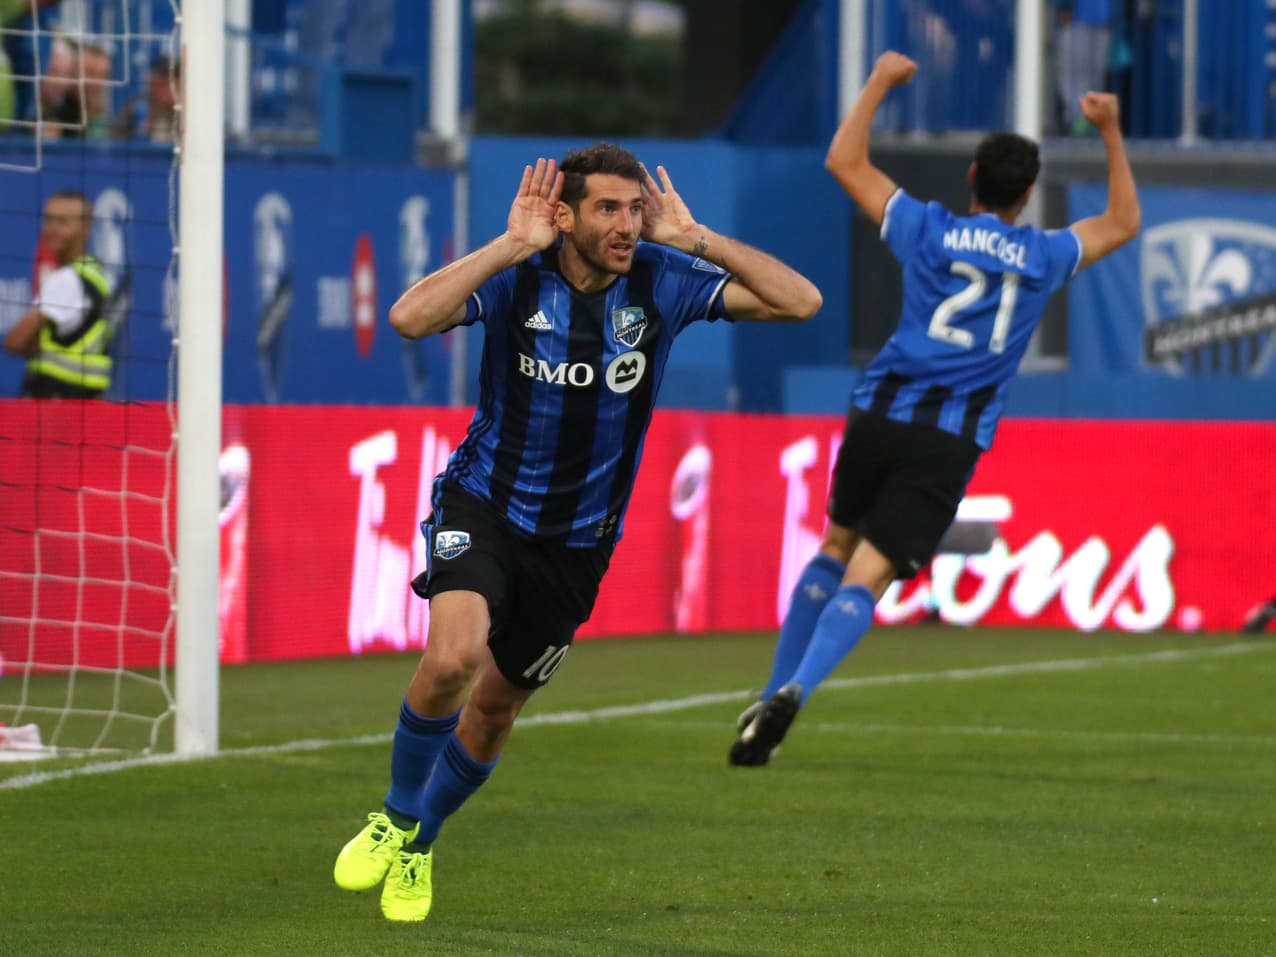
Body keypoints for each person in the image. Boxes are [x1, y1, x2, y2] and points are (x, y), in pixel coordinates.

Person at [332, 142, 823, 922]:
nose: (628, 224)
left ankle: (420, 842)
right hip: (484, 505)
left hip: (578, 545)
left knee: (495, 709)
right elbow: (407, 317)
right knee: (453, 654)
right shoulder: (518, 275)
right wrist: (506, 244)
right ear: (564, 214)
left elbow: (801, 302)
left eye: (635, 209)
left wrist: (698, 240)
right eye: (608, 209)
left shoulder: (662, 281)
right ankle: (394, 814)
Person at [728, 51, 1140, 767]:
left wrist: (882, 82)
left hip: (880, 412)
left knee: (835, 546)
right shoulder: (1042, 256)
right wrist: (1108, 131)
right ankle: (796, 688)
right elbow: (1123, 223)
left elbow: (844, 160)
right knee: (872, 576)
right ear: (1030, 193)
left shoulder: (928, 228)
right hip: (948, 441)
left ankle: (769, 690)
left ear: (972, 179)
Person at [5, 190, 114, 398]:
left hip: (56, 403)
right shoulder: (96, 273)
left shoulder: (66, 280)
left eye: (63, 222)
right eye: (49, 220)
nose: (52, 230)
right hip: (85, 401)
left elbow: (15, 342)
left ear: (86, 227)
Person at [1054, 0, 1116, 136]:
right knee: (1075, 75)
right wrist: (1063, 7)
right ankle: (1077, 120)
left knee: (1096, 75)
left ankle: (1089, 120)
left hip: (1104, 21)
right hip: (1077, 19)